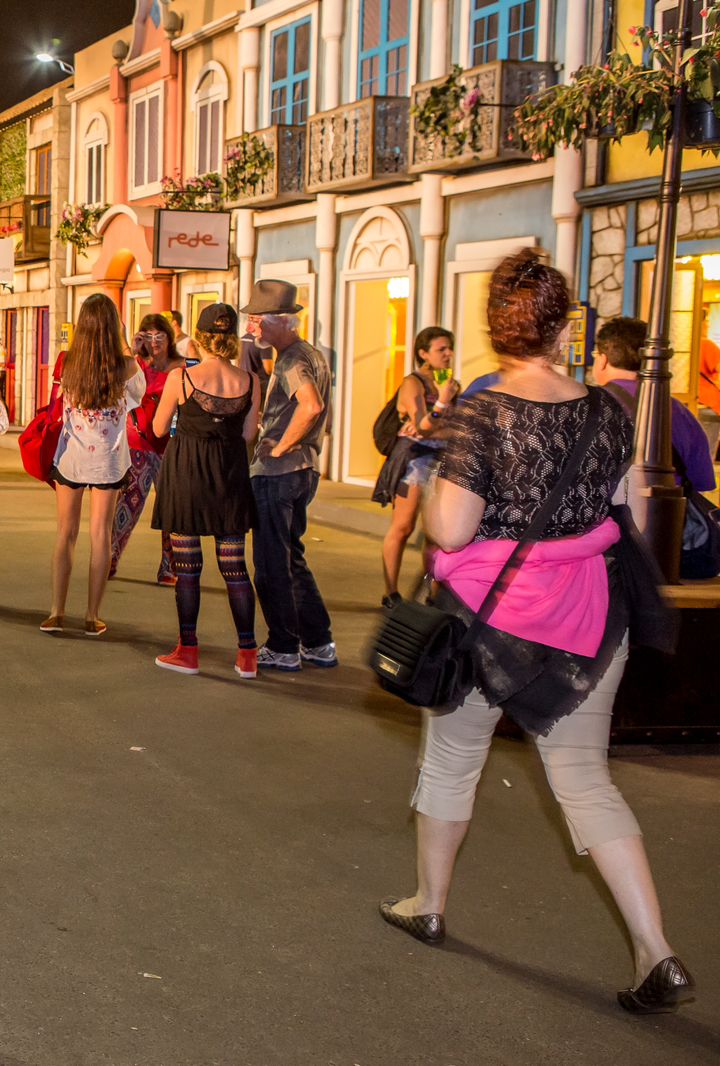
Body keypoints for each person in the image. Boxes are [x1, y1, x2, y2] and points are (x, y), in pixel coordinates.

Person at [382, 248, 694, 1016]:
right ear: (563, 328)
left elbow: (451, 531)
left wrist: (431, 497)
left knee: (454, 761)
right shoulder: (607, 411)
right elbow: (615, 505)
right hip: (586, 617)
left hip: (492, 620)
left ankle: (428, 901)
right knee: (586, 781)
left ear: (495, 329)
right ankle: (657, 948)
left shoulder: (478, 415)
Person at [149, 303, 260, 678]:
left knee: (188, 568)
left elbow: (159, 429)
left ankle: (188, 650)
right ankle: (247, 654)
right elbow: (247, 435)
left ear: (198, 338)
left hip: (188, 477)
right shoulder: (251, 381)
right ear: (231, 339)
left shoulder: (181, 378)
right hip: (229, 477)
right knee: (234, 567)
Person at [245, 280, 335, 672]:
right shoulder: (310, 354)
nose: (253, 329)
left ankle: (283, 645)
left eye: (258, 321)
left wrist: (280, 445)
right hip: (304, 471)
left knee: (270, 563)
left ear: (282, 321)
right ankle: (318, 641)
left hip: (279, 472)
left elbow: (310, 406)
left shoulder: (291, 360)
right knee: (292, 558)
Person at [42, 293, 144, 638]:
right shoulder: (127, 366)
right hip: (109, 462)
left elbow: (58, 403)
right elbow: (138, 397)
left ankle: (56, 611)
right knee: (100, 536)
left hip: (71, 458)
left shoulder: (67, 363)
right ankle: (92, 615)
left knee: (64, 534)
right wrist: (126, 342)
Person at [374, 327, 461, 606]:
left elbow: (455, 429)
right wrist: (442, 405)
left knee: (436, 531)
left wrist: (437, 425)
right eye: (441, 349)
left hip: (445, 461)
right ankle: (391, 592)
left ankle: (434, 593)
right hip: (415, 461)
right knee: (403, 526)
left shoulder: (450, 383)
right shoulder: (413, 383)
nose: (448, 354)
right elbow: (423, 429)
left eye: (449, 348)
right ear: (423, 354)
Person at [592, 315, 714, 495]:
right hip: (668, 519)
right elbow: (702, 483)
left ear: (602, 360)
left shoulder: (588, 406)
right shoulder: (678, 411)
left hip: (604, 517)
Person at [109, 312, 185, 585]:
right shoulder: (136, 365)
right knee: (128, 503)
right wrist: (131, 346)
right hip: (138, 442)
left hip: (171, 445)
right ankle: (110, 557)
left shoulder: (181, 367)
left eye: (159, 335)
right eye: (148, 335)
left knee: (171, 506)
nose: (154, 341)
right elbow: (120, 389)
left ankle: (170, 567)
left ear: (169, 337)